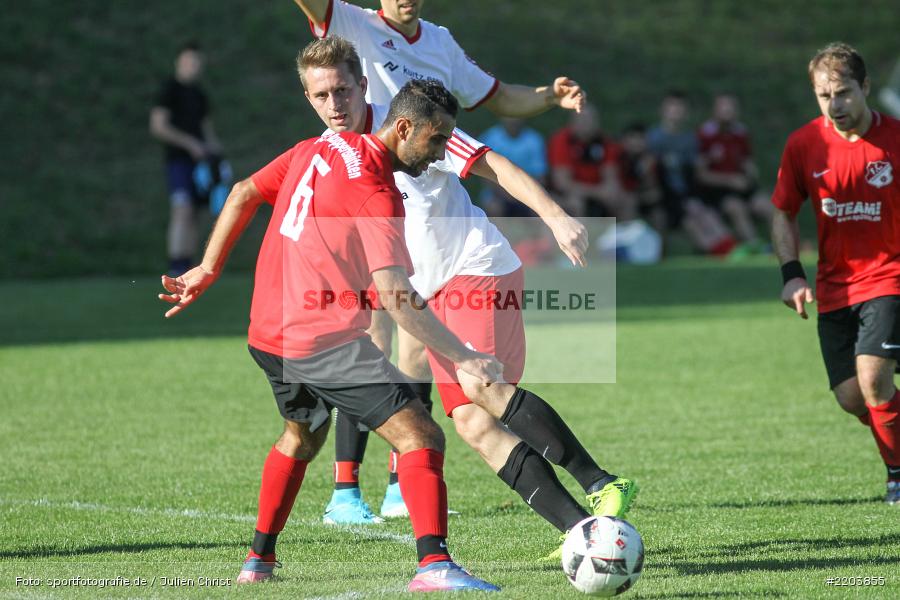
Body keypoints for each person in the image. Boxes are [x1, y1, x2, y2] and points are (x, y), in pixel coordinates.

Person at [158, 79, 504, 591]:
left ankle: (258, 561)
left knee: (302, 435)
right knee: (420, 436)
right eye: (436, 140)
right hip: (320, 339)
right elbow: (396, 296)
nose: (438, 155)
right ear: (403, 128)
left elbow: (243, 191)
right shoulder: (378, 193)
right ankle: (435, 566)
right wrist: (464, 356)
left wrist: (208, 268)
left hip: (268, 331)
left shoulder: (319, 147)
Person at [298, 37, 637, 556]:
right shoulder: (329, 154)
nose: (334, 104)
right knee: (474, 425)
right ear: (308, 99)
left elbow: (495, 165)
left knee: (481, 386)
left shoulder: (414, 122)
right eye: (321, 96)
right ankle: (580, 531)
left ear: (363, 85)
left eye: (342, 90)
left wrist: (556, 217)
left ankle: (601, 482)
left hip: (475, 269)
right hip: (430, 294)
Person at [771, 42, 900, 505]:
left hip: (889, 279)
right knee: (851, 397)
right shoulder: (804, 144)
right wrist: (791, 274)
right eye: (824, 96)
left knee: (873, 380)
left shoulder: (895, 140)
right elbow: (783, 211)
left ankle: (897, 475)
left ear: (865, 87)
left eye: (843, 93)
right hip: (836, 289)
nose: (834, 105)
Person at [294, 0, 585, 116]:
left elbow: (501, 98)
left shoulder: (441, 41)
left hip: (434, 184)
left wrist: (550, 95)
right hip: (380, 178)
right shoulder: (357, 24)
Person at [149, 42, 224, 276]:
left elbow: (206, 129)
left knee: (195, 213)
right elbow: (159, 126)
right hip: (179, 161)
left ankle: (188, 267)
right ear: (179, 62)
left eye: (196, 62)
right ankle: (175, 265)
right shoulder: (170, 90)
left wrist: (215, 152)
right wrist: (190, 144)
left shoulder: (199, 95)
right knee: (182, 209)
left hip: (200, 164)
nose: (192, 66)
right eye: (188, 61)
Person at [647, 91, 737, 256]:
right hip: (666, 198)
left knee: (707, 214)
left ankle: (731, 250)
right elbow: (650, 173)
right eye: (672, 106)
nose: (676, 111)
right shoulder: (653, 139)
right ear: (663, 110)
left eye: (680, 107)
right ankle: (717, 252)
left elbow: (695, 172)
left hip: (688, 195)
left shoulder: (690, 139)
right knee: (691, 221)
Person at [695, 93, 772, 250]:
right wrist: (729, 180)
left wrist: (751, 174)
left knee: (769, 206)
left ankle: (782, 246)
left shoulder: (740, 133)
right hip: (719, 192)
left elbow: (747, 162)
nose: (727, 111)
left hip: (743, 186)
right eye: (723, 107)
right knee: (736, 207)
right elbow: (701, 175)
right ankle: (755, 247)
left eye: (730, 107)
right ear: (715, 110)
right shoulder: (705, 135)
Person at [548, 103, 636, 220]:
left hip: (598, 190)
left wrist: (610, 191)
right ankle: (582, 232)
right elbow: (562, 183)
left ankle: (624, 231)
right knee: (575, 203)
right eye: (582, 119)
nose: (586, 123)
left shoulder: (605, 142)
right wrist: (598, 192)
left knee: (626, 199)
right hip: (569, 193)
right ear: (572, 122)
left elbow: (611, 175)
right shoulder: (561, 140)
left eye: (590, 119)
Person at [478, 117, 548, 217]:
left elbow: (540, 176)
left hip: (529, 194)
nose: (513, 120)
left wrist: (526, 195)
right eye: (509, 115)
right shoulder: (490, 137)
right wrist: (508, 194)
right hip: (497, 194)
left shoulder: (534, 139)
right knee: (494, 207)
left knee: (543, 210)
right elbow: (485, 176)